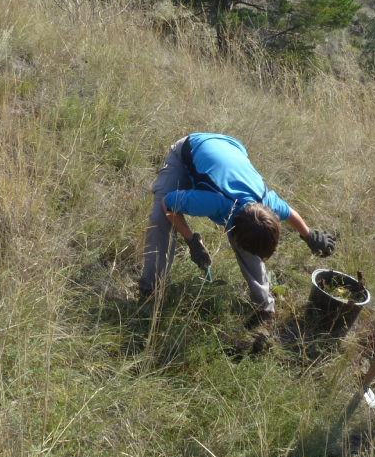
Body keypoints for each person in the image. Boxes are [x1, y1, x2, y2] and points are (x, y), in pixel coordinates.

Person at [138, 133, 336, 323]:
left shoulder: (267, 203)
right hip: (188, 151)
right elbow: (168, 205)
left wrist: (309, 236)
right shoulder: (214, 201)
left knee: (252, 238)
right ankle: (150, 292)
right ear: (231, 225)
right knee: (160, 220)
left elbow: (289, 212)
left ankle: (264, 310)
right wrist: (191, 241)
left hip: (231, 149)